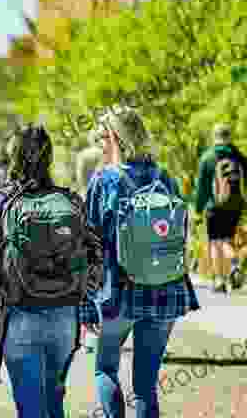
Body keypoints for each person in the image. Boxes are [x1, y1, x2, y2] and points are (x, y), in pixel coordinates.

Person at [0, 124, 104, 418]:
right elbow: (96, 251)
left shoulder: (1, 201)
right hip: (65, 315)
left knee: (31, 408)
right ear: (48, 157)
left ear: (14, 155)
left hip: (19, 314)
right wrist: (87, 297)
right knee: (54, 403)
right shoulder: (69, 200)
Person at [85, 106, 200, 418]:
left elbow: (90, 244)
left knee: (105, 368)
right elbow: (178, 234)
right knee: (146, 386)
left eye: (102, 138)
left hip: (118, 293)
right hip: (166, 290)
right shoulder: (166, 179)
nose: (100, 144)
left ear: (115, 138)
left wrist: (85, 299)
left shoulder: (104, 181)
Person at [195, 123, 247, 294]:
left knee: (216, 242)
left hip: (215, 206)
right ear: (229, 137)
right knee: (227, 240)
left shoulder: (208, 157)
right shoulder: (237, 156)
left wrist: (198, 208)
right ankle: (233, 267)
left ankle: (219, 280)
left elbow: (202, 187)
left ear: (214, 137)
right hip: (235, 205)